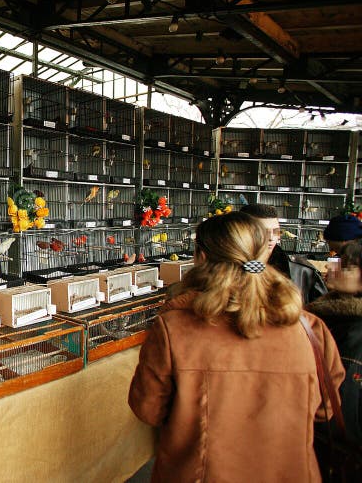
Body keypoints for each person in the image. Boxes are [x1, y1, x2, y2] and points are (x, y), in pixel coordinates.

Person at [128, 211, 344, 481]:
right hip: (290, 473)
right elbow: (326, 408)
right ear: (262, 253)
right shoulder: (308, 327)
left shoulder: (173, 328)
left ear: (201, 258)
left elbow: (149, 409)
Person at [307, 239, 362, 444]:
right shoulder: (321, 316)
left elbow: (346, 401)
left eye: (346, 267)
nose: (332, 267)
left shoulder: (355, 332)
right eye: (336, 260)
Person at [240, 203, 327, 305]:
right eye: (263, 231)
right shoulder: (227, 269)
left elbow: (322, 311)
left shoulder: (302, 271)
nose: (271, 237)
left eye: (276, 231)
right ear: (243, 232)